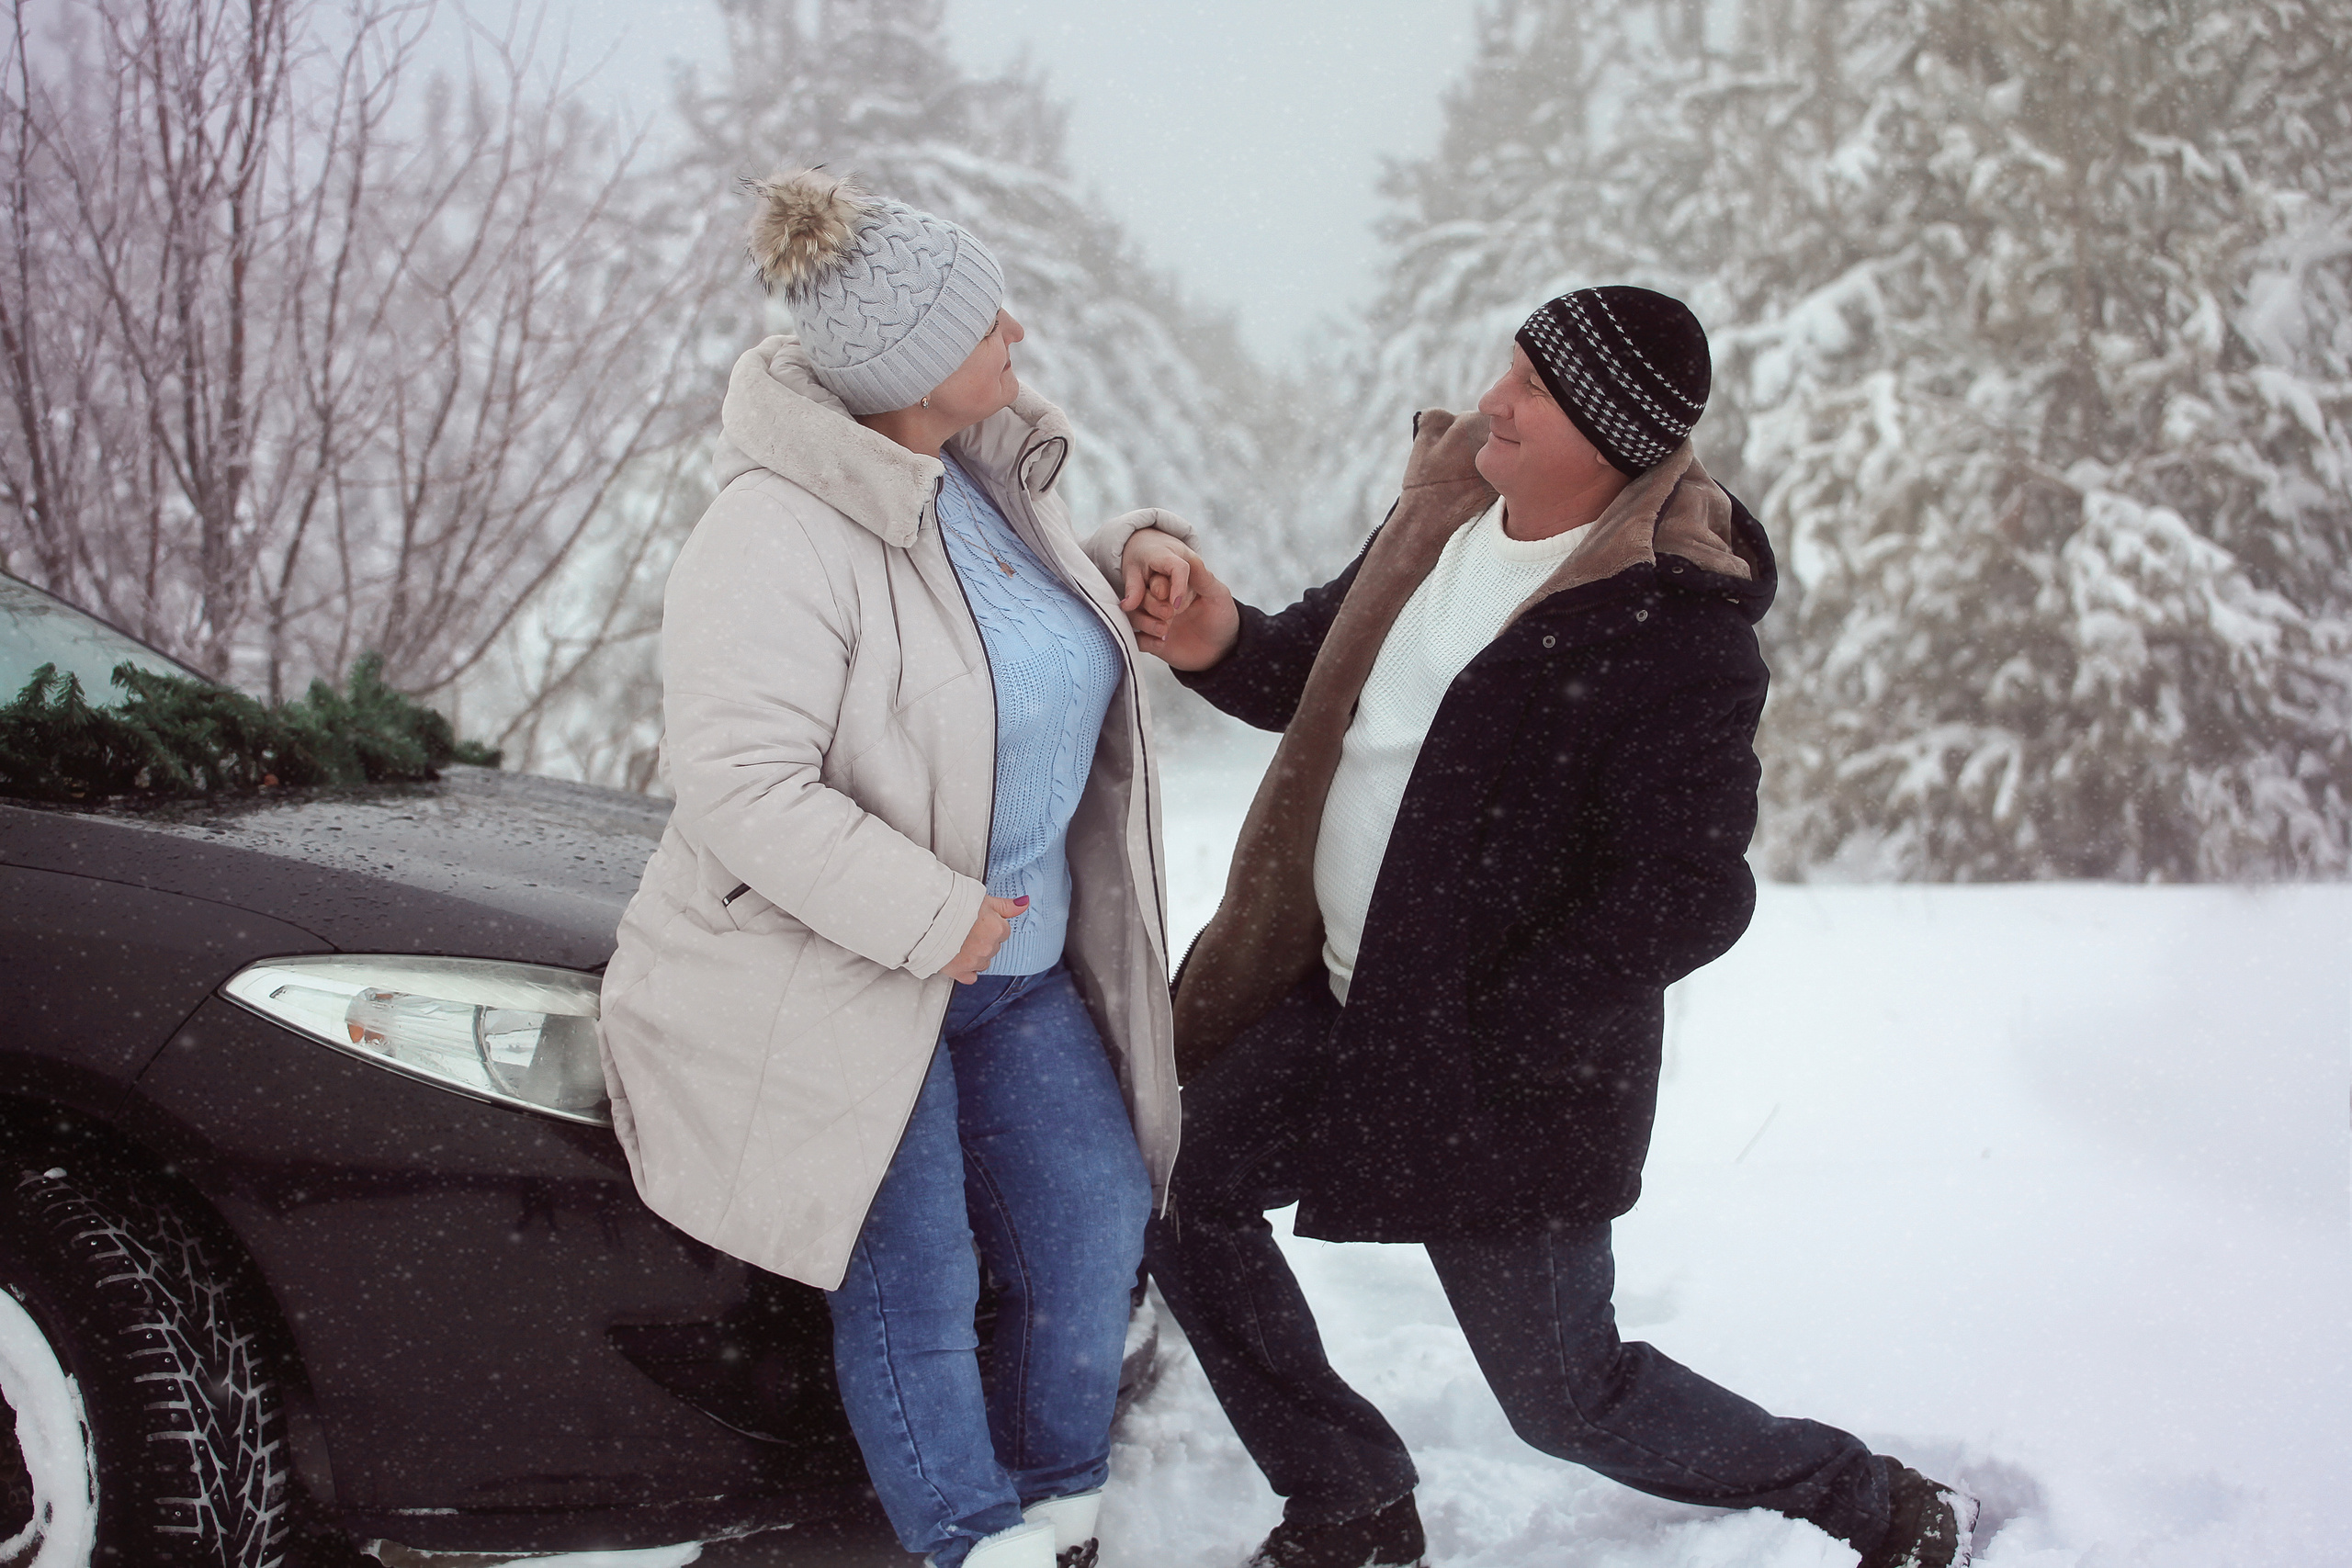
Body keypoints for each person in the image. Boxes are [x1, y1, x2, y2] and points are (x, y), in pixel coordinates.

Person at [1113, 288, 1976, 1568]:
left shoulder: (1674, 634)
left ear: (1611, 436)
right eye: (1506, 368)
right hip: (1339, 1004)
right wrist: (1210, 634)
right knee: (1177, 1190)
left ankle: (1870, 1500)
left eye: (1531, 388)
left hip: (1501, 1080)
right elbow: (1315, 666)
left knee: (1571, 1399)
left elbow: (1692, 893)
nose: (1493, 402)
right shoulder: (1447, 516)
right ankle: (1350, 1499)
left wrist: (1488, 1004)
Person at [599, 170, 1193, 1568]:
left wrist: (1124, 555)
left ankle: (1059, 1511)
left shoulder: (974, 473)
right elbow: (741, 785)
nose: (1020, 334)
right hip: (852, 969)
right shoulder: (771, 533)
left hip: (1014, 963)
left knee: (1093, 1226)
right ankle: (968, 1539)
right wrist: (935, 918)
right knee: (912, 1280)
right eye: (989, 319)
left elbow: (981, 635)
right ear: (914, 363)